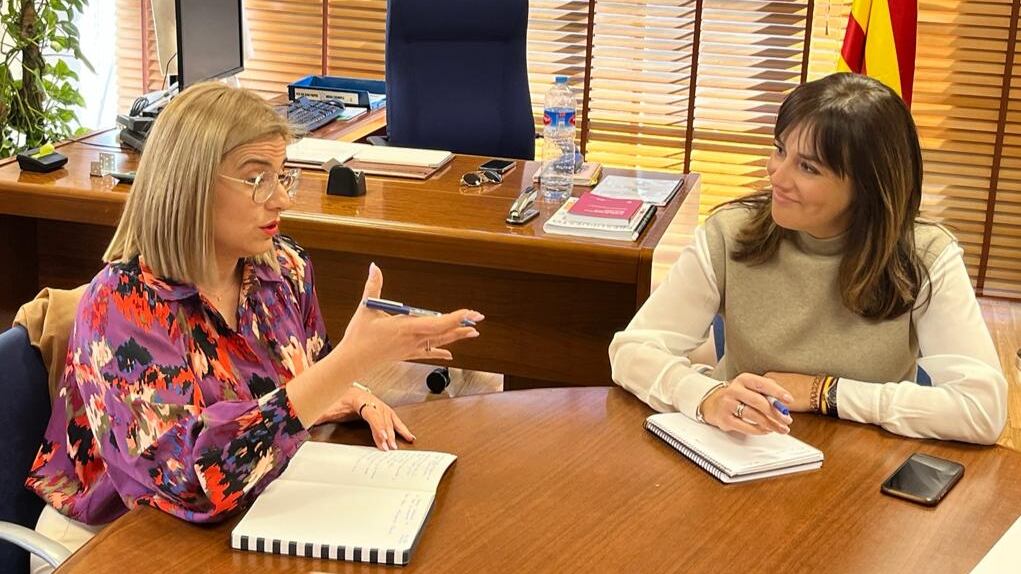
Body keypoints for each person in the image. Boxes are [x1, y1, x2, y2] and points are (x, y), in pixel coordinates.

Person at [25, 82, 484, 567]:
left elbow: (300, 380)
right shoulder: (121, 306)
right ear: (191, 183)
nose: (281, 199)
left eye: (283, 176)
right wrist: (350, 362)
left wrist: (347, 388)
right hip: (113, 540)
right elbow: (189, 484)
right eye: (257, 179)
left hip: (249, 515)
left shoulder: (282, 267)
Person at [609, 72, 1006, 445]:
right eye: (780, 150)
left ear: (868, 186)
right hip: (740, 451)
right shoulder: (731, 233)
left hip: (861, 468)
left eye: (808, 167)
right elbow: (631, 350)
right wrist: (707, 395)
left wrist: (825, 393)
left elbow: (982, 409)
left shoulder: (925, 255)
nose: (777, 176)